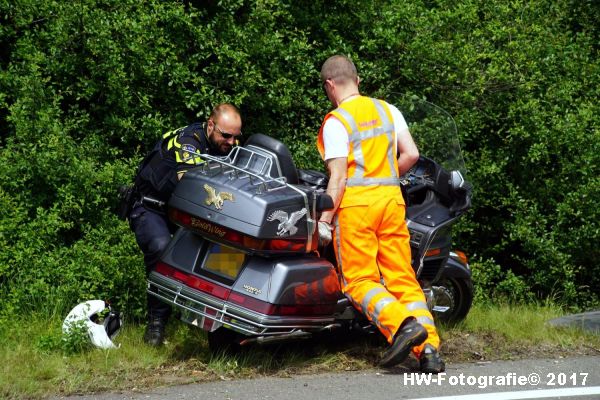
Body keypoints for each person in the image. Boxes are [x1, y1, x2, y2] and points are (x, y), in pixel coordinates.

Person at [316, 55, 444, 373]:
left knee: (359, 280)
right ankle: (428, 350)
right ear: (357, 81)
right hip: (391, 201)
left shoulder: (337, 121)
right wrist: (385, 177)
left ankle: (401, 326)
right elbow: (411, 154)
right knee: (403, 279)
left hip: (357, 207)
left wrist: (324, 220)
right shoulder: (388, 110)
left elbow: (339, 178)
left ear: (330, 86)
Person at [129, 103, 242, 346]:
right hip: (152, 207)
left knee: (228, 252)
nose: (232, 142)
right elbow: (191, 188)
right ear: (211, 125)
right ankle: (156, 324)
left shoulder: (229, 146)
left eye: (235, 136)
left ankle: (220, 327)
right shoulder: (189, 142)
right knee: (161, 248)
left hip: (188, 212)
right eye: (226, 135)